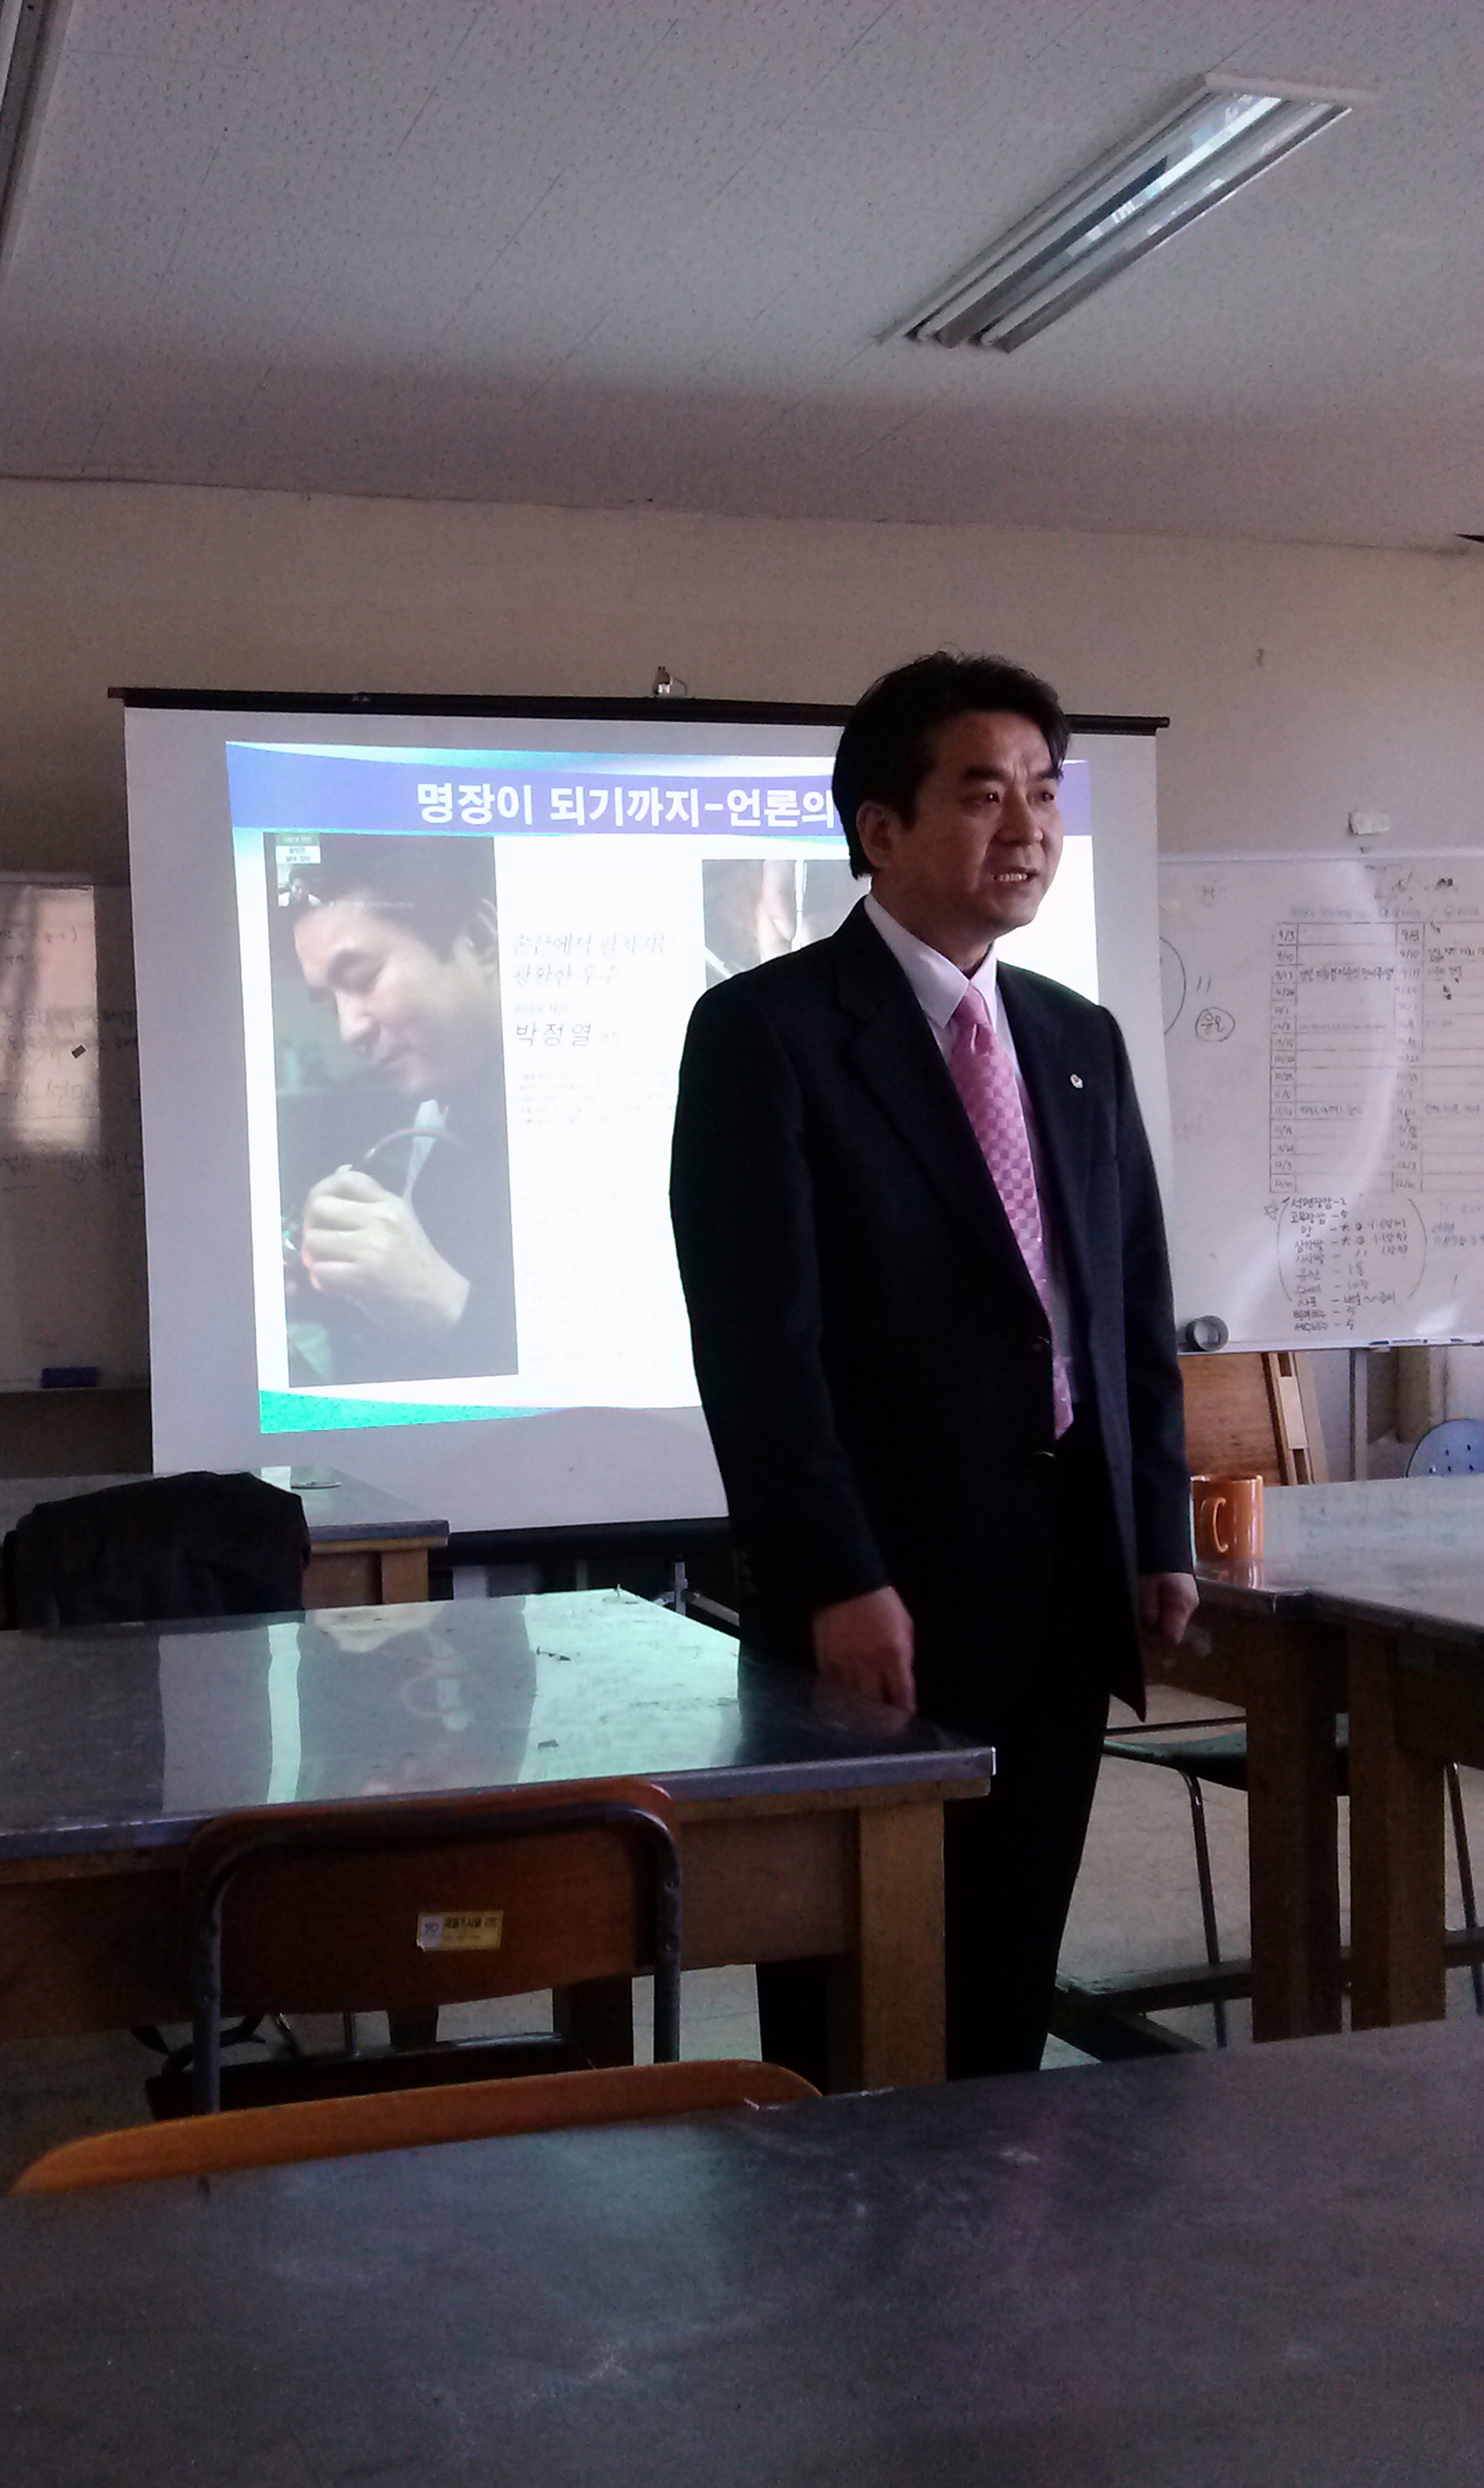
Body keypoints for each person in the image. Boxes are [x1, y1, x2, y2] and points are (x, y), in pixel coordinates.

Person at [669, 652, 1196, 2081]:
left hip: (1063, 1578)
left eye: (1044, 794)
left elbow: (1126, 1303)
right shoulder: (768, 1034)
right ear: (880, 827)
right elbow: (758, 1348)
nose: (1026, 828)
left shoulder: (1074, 1039)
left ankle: (1001, 2207)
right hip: (879, 1593)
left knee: (1006, 1967)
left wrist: (1155, 1527)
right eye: (982, 794)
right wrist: (834, 1573)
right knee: (857, 1987)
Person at [285, 833, 518, 1384]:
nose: (350, 1030)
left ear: (480, 938)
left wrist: (443, 1303)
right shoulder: (436, 1112)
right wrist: (342, 1288)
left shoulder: (612, 1104)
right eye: (331, 1003)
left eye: (363, 979)